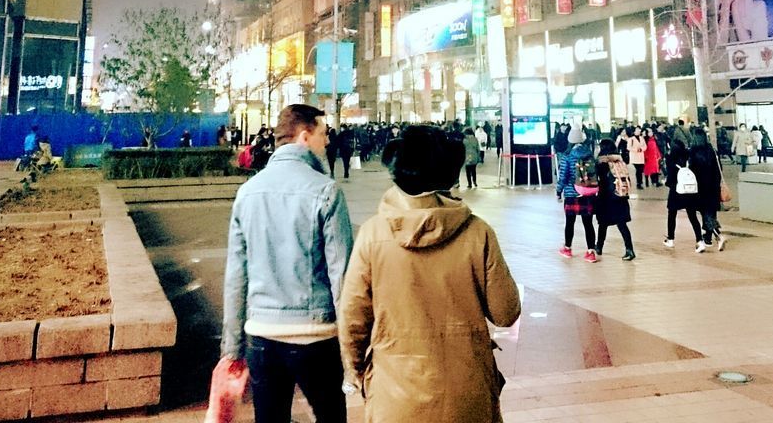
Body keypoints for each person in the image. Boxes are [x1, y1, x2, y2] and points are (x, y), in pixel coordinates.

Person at [338, 125, 520, 422]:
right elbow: (506, 312)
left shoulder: (373, 234)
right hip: (467, 391)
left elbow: (352, 317)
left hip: (394, 392)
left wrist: (358, 372)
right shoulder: (478, 233)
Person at [222, 104, 354, 423]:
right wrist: (354, 351)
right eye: (323, 134)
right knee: (330, 416)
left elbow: (236, 277)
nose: (327, 142)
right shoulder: (326, 191)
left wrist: (232, 349)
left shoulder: (248, 192)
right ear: (304, 137)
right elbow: (343, 277)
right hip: (316, 334)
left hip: (262, 336)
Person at [555, 124, 598, 262]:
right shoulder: (589, 154)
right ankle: (591, 252)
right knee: (588, 223)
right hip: (588, 193)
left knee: (570, 223)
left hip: (571, 193)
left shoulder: (567, 156)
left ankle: (567, 248)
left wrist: (558, 191)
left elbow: (563, 176)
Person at [594, 139, 635, 260]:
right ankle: (629, 249)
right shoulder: (619, 160)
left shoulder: (601, 162)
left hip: (606, 197)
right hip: (620, 195)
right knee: (622, 225)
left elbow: (597, 179)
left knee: (603, 223)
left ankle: (599, 246)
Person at [688, 126, 726, 252]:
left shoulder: (694, 151)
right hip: (714, 187)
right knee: (711, 212)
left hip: (701, 188)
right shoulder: (712, 150)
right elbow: (719, 167)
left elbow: (691, 170)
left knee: (705, 213)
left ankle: (719, 236)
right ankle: (708, 238)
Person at [662, 134, 702, 250]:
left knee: (672, 214)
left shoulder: (670, 159)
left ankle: (671, 239)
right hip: (689, 190)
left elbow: (670, 177)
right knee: (692, 216)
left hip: (676, 190)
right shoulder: (688, 157)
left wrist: (668, 183)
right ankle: (700, 240)